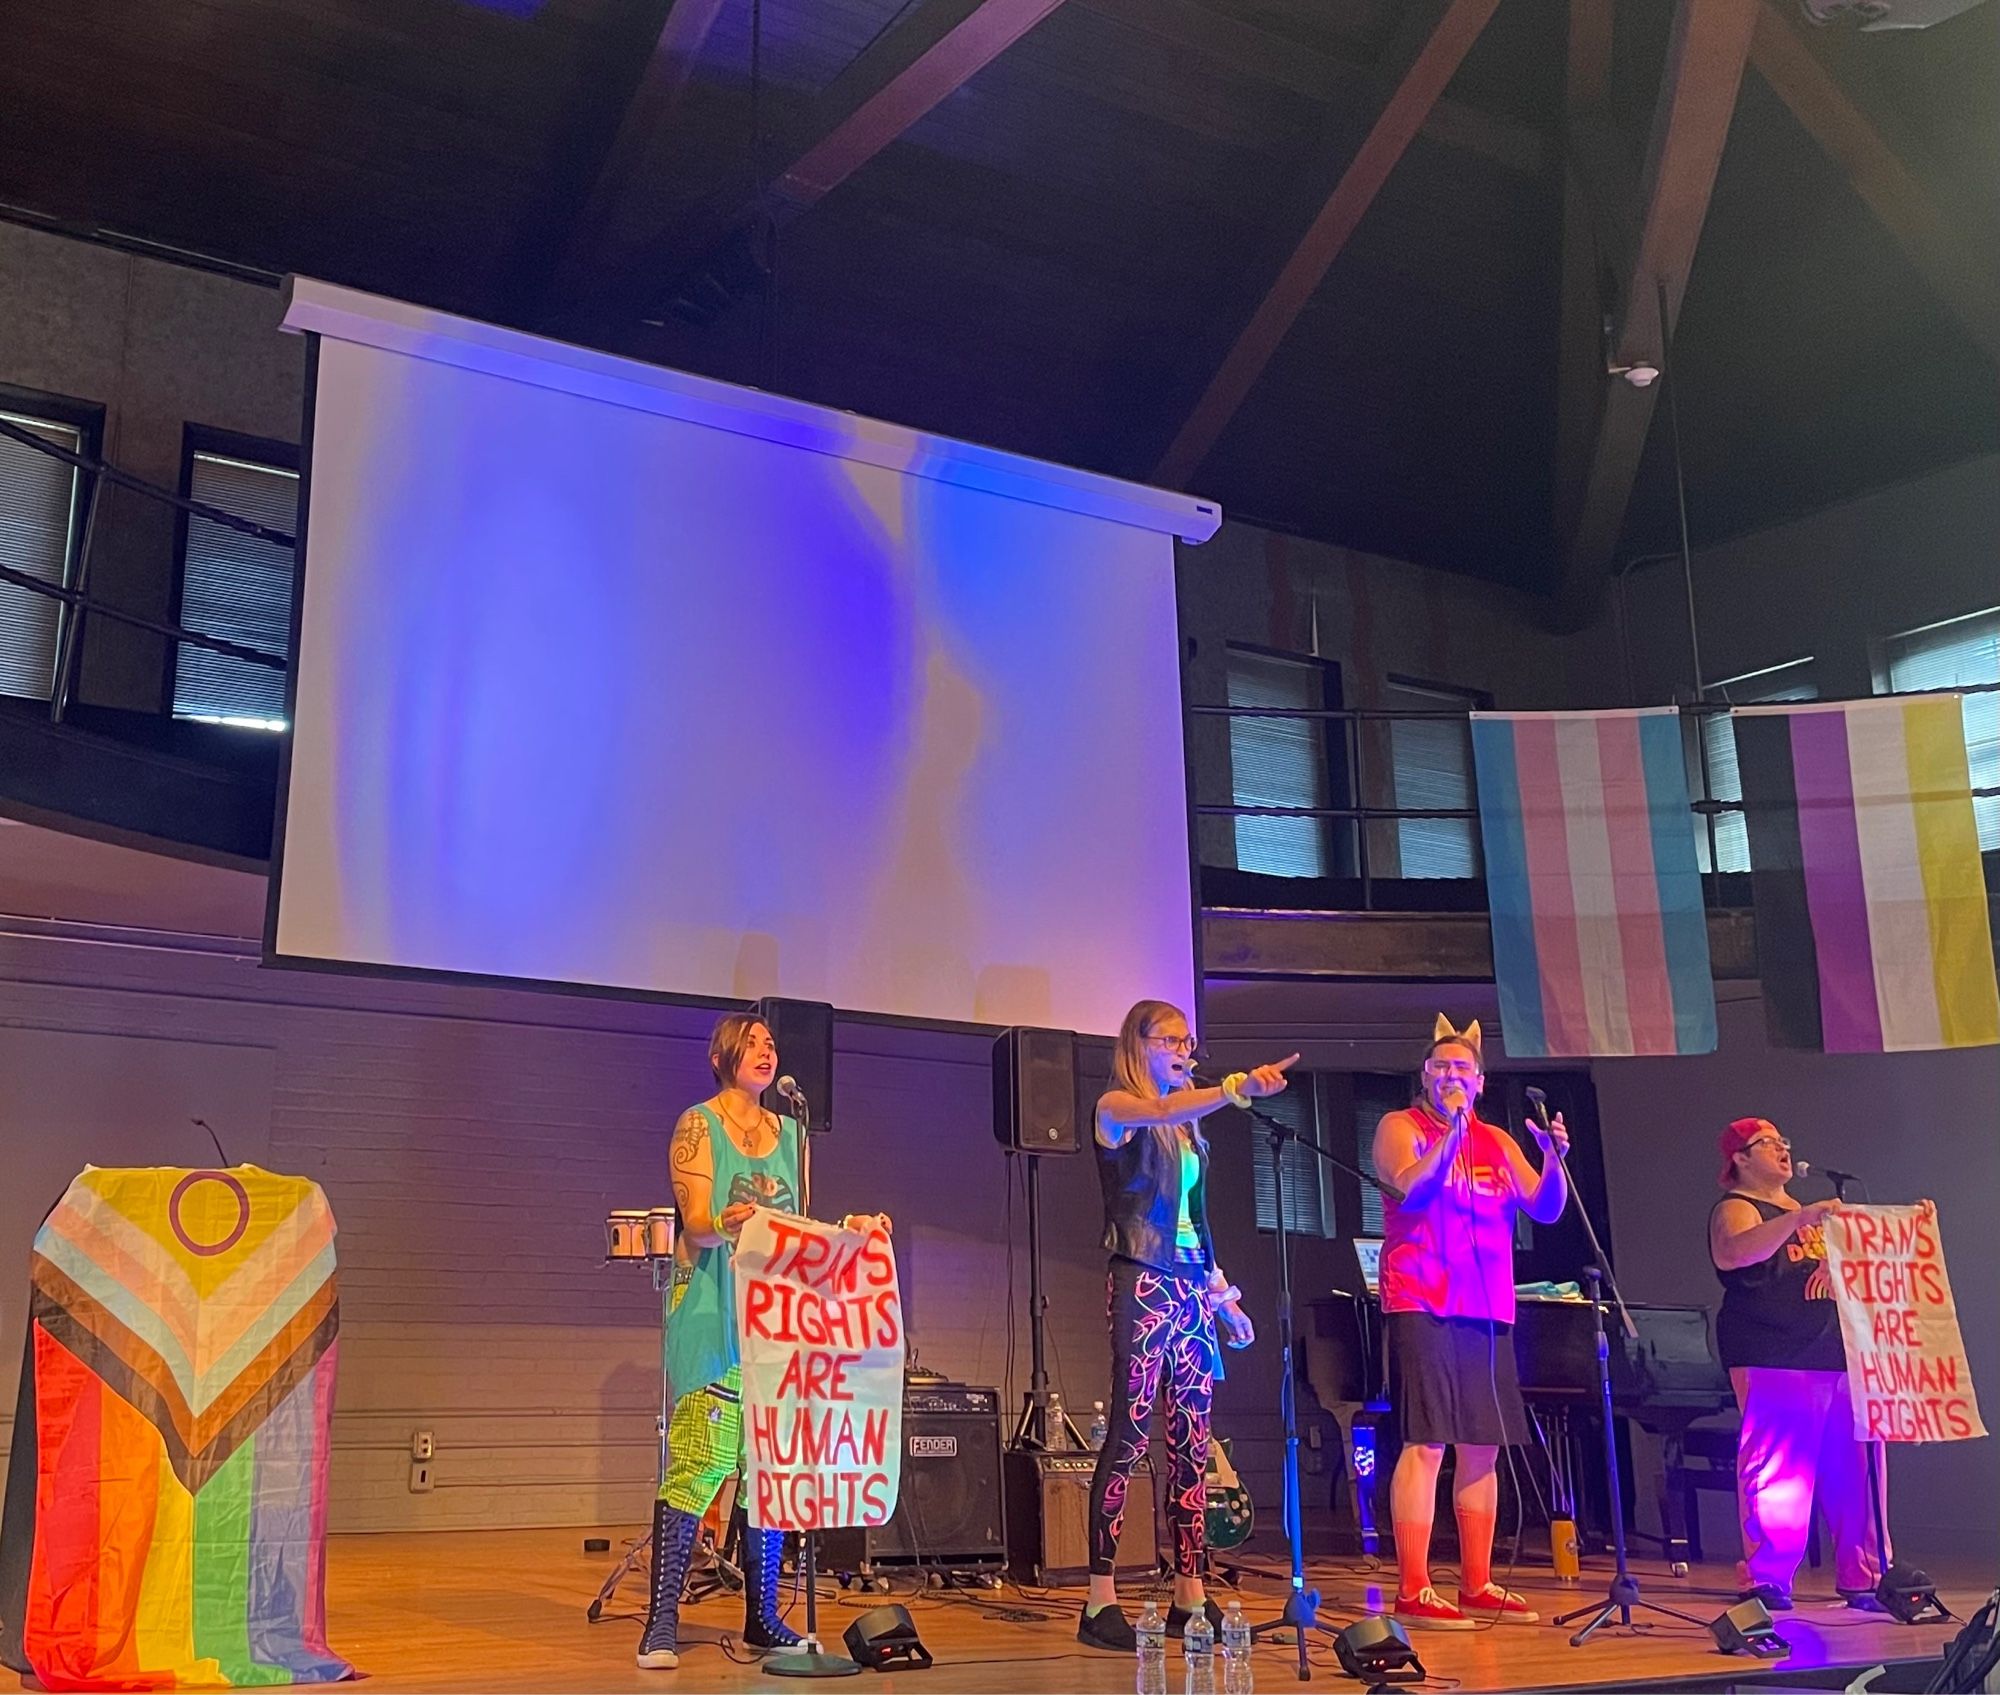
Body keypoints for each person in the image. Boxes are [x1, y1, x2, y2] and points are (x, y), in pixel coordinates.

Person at [637, 1011, 888, 1670]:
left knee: (769, 1470)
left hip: (775, 1321)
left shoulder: (793, 1132)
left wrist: (849, 1227)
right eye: (753, 1041)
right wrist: (726, 1218)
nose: (766, 1050)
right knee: (701, 1462)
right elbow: (696, 1225)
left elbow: (796, 1230)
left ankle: (763, 1616)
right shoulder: (700, 1123)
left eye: (772, 1042)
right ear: (724, 1054)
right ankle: (661, 1618)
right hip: (714, 1311)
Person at [1077, 997, 1293, 1653]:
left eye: (1187, 1039)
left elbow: (1193, 1225)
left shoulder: (1187, 1133)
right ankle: (1099, 1595)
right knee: (1129, 1433)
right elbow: (1168, 1107)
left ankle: (1189, 1590)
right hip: (1142, 1279)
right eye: (1169, 1038)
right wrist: (1234, 1087)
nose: (1182, 1048)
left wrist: (1224, 1297)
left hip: (1190, 1289)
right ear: (1137, 1042)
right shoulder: (1118, 1108)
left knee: (1192, 1441)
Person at [1371, 1015, 1568, 1630]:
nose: (1451, 1075)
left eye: (1463, 1068)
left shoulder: (1500, 1142)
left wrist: (1553, 1158)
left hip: (1487, 1308)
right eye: (1440, 1067)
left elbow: (1546, 1208)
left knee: (1481, 1447)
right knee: (1426, 1442)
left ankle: (1477, 1582)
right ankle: (1413, 1587)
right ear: (1425, 1077)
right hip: (1422, 1299)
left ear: (1481, 1082)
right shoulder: (1400, 1127)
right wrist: (1452, 1134)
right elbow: (1412, 1190)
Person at [1710, 1116, 1894, 1612]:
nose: (1782, 1150)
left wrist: (1837, 1270)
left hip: (1837, 1354)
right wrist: (1796, 1220)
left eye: (1783, 1141)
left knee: (1858, 1469)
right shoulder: (1739, 1208)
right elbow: (1732, 1254)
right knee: (1779, 1471)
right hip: (1776, 1355)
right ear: (1740, 1159)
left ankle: (1866, 1574)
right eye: (1767, 1144)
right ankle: (1767, 1576)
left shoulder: (1811, 1213)